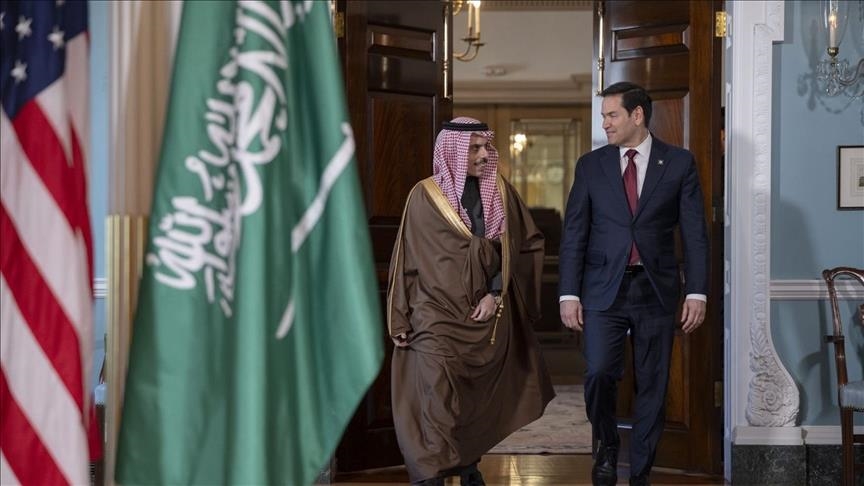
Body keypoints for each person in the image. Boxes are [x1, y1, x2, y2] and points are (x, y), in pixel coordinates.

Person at [388, 117, 555, 486]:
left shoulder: (500, 191)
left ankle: (466, 465)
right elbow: (407, 259)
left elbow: (520, 246)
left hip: (482, 316)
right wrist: (399, 315)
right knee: (436, 395)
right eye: (474, 148)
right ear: (454, 151)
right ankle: (430, 474)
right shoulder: (424, 195)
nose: (483, 154)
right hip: (432, 314)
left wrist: (496, 294)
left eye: (485, 147)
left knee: (471, 399)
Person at [559, 82, 709, 486]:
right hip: (602, 289)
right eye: (604, 116)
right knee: (599, 373)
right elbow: (574, 233)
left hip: (655, 289)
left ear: (637, 115)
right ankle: (607, 446)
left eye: (612, 115)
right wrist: (568, 293)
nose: (605, 123)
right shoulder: (590, 166)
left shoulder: (678, 163)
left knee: (653, 384)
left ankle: (640, 472)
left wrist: (697, 291)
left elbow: (695, 233)